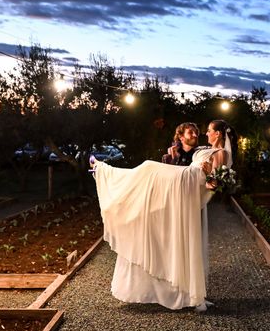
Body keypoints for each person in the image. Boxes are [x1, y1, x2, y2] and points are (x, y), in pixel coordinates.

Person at [91, 119, 237, 312]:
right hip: (185, 180)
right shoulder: (205, 148)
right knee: (147, 169)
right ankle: (105, 174)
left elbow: (214, 182)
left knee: (149, 168)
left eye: (209, 130)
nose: (205, 133)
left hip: (188, 182)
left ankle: (105, 172)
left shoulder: (221, 153)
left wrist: (209, 179)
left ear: (218, 134)